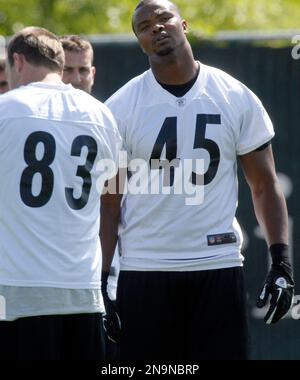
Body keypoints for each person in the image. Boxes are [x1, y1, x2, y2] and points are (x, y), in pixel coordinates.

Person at [101, 0, 295, 360]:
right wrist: (100, 281)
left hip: (217, 265)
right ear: (139, 42)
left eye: (164, 18)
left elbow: (264, 185)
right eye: (144, 26)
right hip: (146, 268)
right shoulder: (121, 107)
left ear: (184, 25)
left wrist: (281, 262)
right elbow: (110, 202)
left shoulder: (233, 95)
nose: (156, 28)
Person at [0, 26, 121, 360]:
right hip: (82, 292)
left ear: (18, 61)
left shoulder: (5, 109)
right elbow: (112, 195)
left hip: (17, 294)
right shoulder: (102, 116)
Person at [61, 34, 120, 360]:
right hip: (54, 268)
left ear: (93, 73)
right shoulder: (38, 120)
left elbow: (113, 202)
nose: (76, 79)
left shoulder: (107, 118)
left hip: (102, 266)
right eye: (68, 70)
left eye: (83, 70)